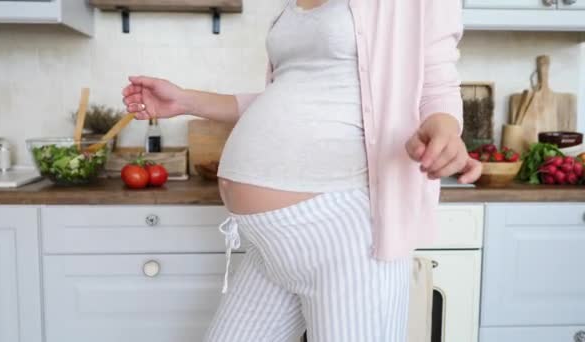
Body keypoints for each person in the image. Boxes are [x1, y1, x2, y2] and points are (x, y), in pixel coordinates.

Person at [122, 0, 481, 341]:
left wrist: (445, 129)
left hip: (346, 234)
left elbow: (437, 83)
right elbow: (288, 95)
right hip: (271, 248)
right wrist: (185, 100)